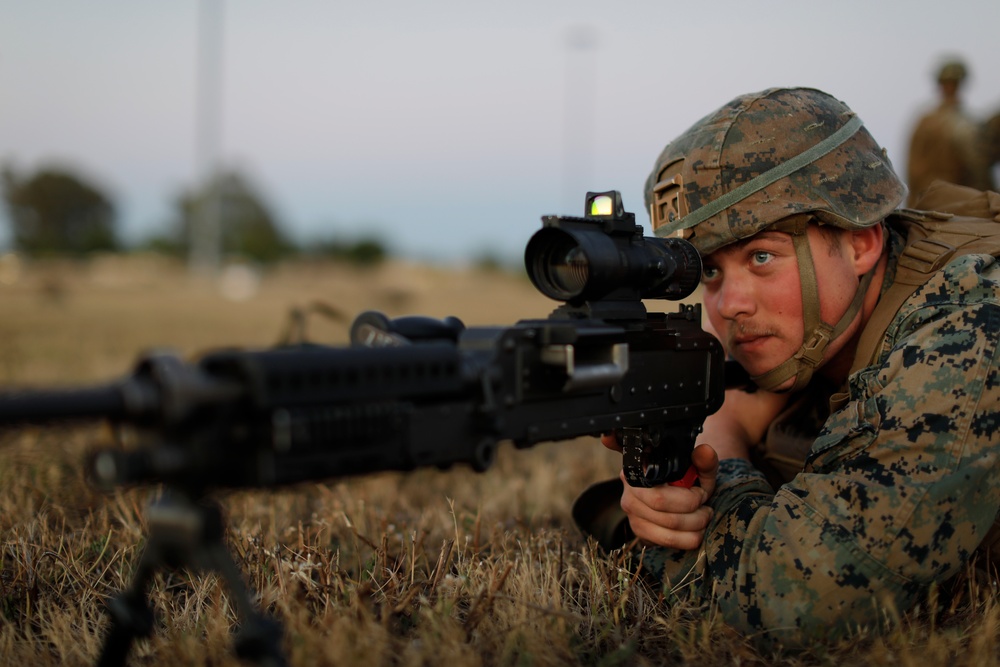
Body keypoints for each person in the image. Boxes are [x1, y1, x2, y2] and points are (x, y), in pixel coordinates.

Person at [574, 87, 1000, 648]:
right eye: (710, 272)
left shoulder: (967, 329)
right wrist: (674, 477)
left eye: (761, 257)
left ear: (862, 242)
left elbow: (799, 602)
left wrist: (720, 465)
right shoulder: (827, 331)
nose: (729, 306)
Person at [907, 58, 996, 205]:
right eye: (947, 83)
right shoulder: (927, 122)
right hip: (934, 200)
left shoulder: (970, 122)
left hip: (965, 200)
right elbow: (914, 170)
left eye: (954, 83)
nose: (950, 87)